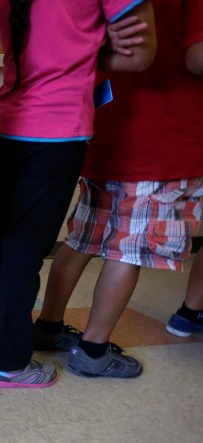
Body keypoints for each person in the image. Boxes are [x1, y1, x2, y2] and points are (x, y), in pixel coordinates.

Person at [0, 0, 156, 388]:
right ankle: (8, 364)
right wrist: (89, 50)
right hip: (58, 130)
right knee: (24, 247)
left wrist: (79, 47)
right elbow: (140, 56)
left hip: (8, 122)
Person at [34, 0, 203, 377]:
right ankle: (93, 351)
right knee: (130, 248)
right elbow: (197, 57)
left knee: (82, 238)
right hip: (165, 135)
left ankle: (48, 326)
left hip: (107, 121)